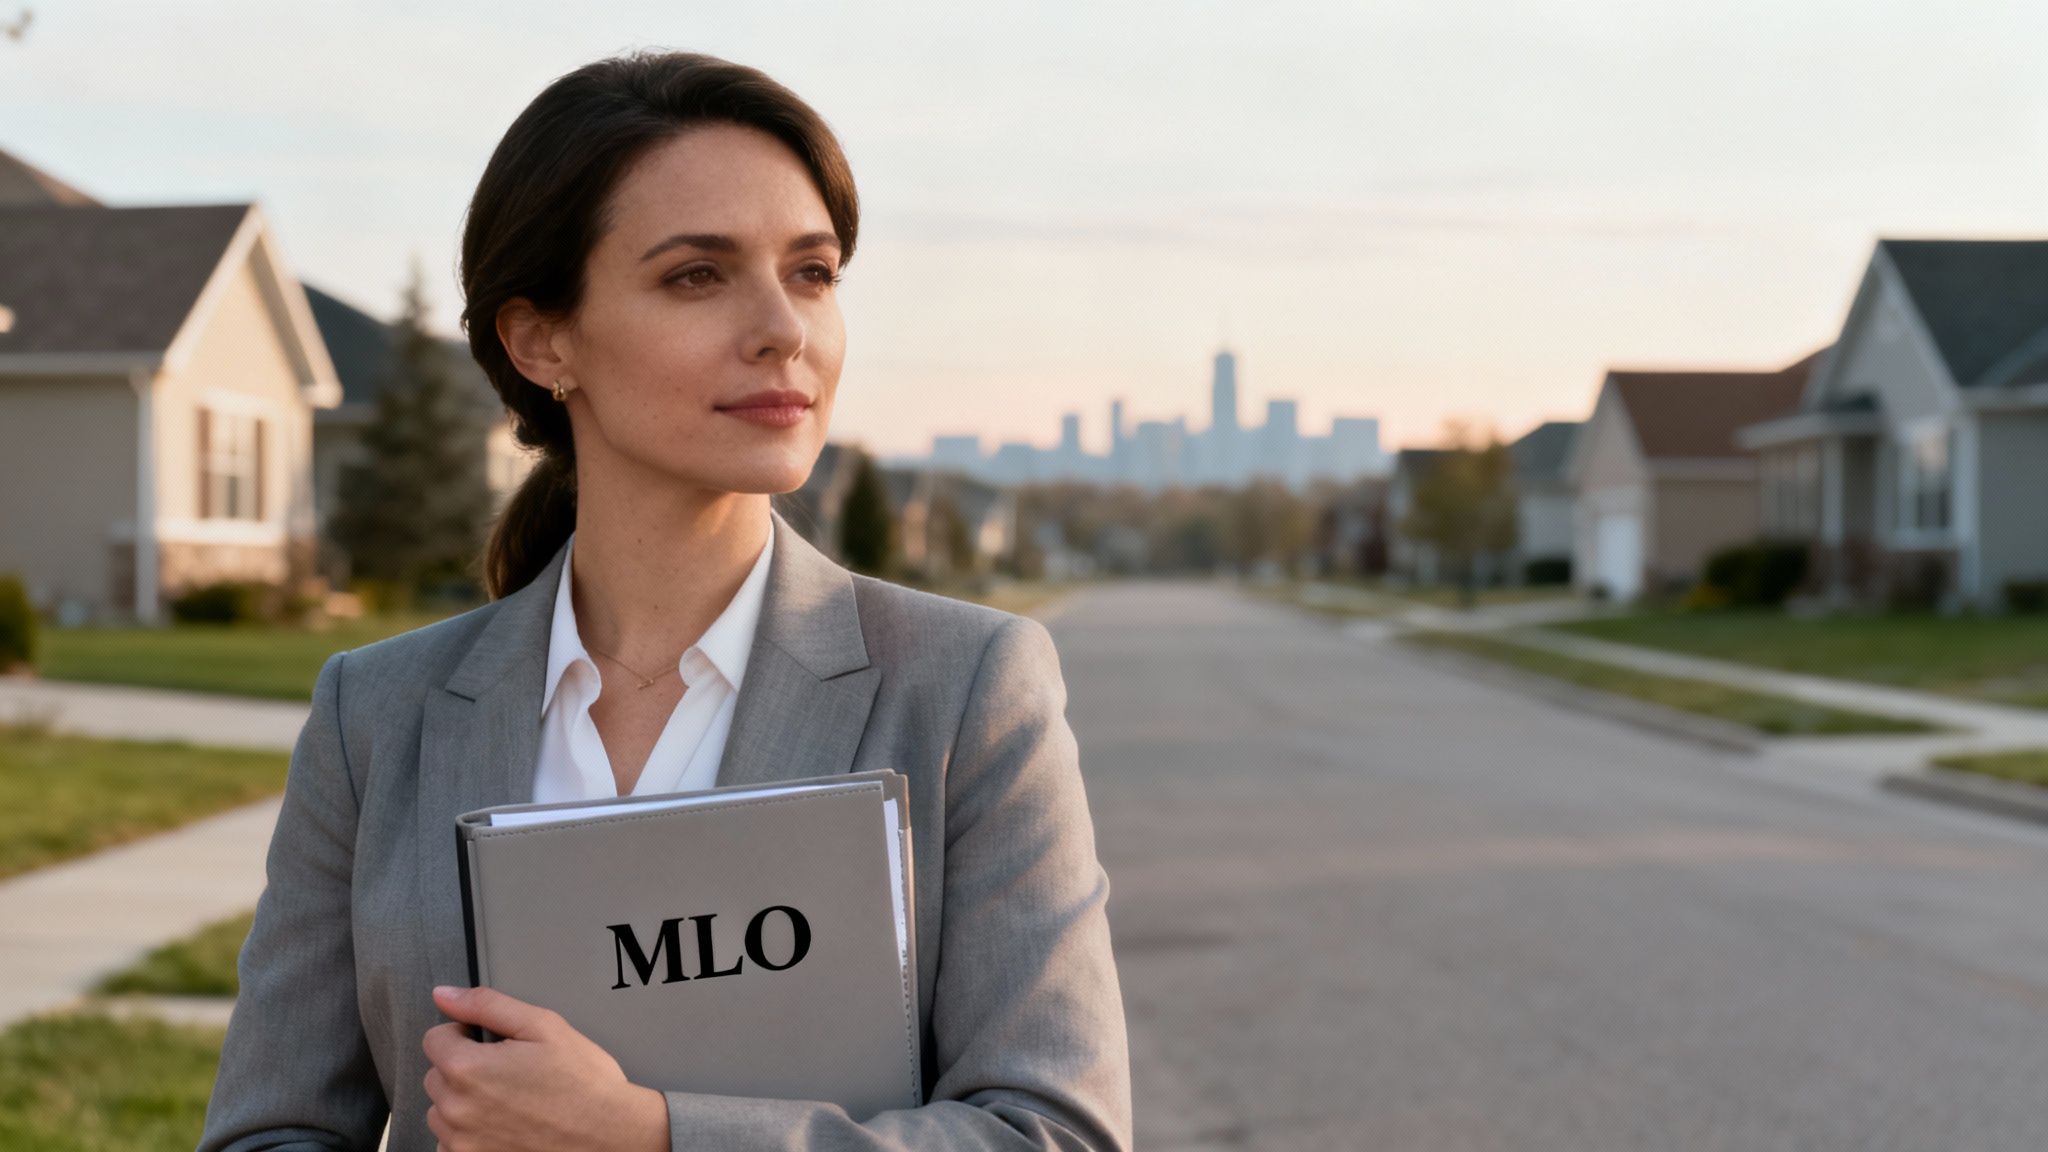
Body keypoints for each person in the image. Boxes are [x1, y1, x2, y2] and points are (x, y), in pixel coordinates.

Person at [198, 50, 1130, 1152]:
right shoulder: (375, 714)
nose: (782, 326)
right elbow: (271, 1132)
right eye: (698, 274)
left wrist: (650, 1135)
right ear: (541, 340)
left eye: (812, 272)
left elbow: (1052, 1132)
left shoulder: (966, 689)